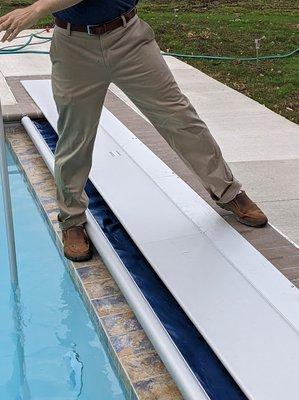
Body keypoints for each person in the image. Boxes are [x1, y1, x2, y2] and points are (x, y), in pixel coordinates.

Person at [0, 0, 268, 262]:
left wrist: (37, 8)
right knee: (74, 136)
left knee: (180, 118)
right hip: (73, 45)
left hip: (128, 37)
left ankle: (229, 193)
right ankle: (72, 221)